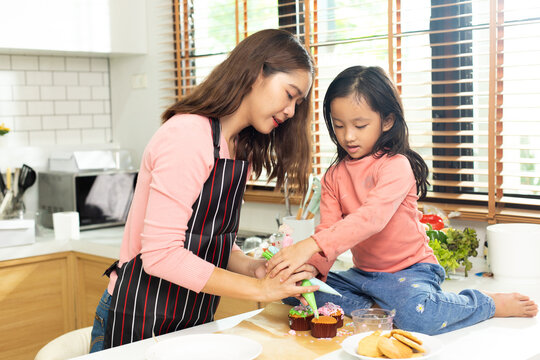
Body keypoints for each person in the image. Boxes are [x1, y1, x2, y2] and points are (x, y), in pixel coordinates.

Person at [89, 29, 319, 352]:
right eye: (289, 94)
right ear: (256, 74)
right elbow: (161, 254)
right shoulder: (188, 135)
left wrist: (254, 268)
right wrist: (261, 290)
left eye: (299, 101)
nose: (292, 111)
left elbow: (211, 244)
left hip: (189, 324)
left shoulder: (237, 148)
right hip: (138, 321)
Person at [266, 66, 538, 335]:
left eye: (360, 125)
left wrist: (309, 245)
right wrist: (312, 266)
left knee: (420, 320)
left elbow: (371, 219)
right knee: (293, 292)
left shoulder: (396, 166)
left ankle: (485, 303)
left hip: (411, 271)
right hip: (363, 277)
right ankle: (381, 308)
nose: (348, 135)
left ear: (387, 121)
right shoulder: (334, 176)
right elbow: (329, 232)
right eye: (339, 125)